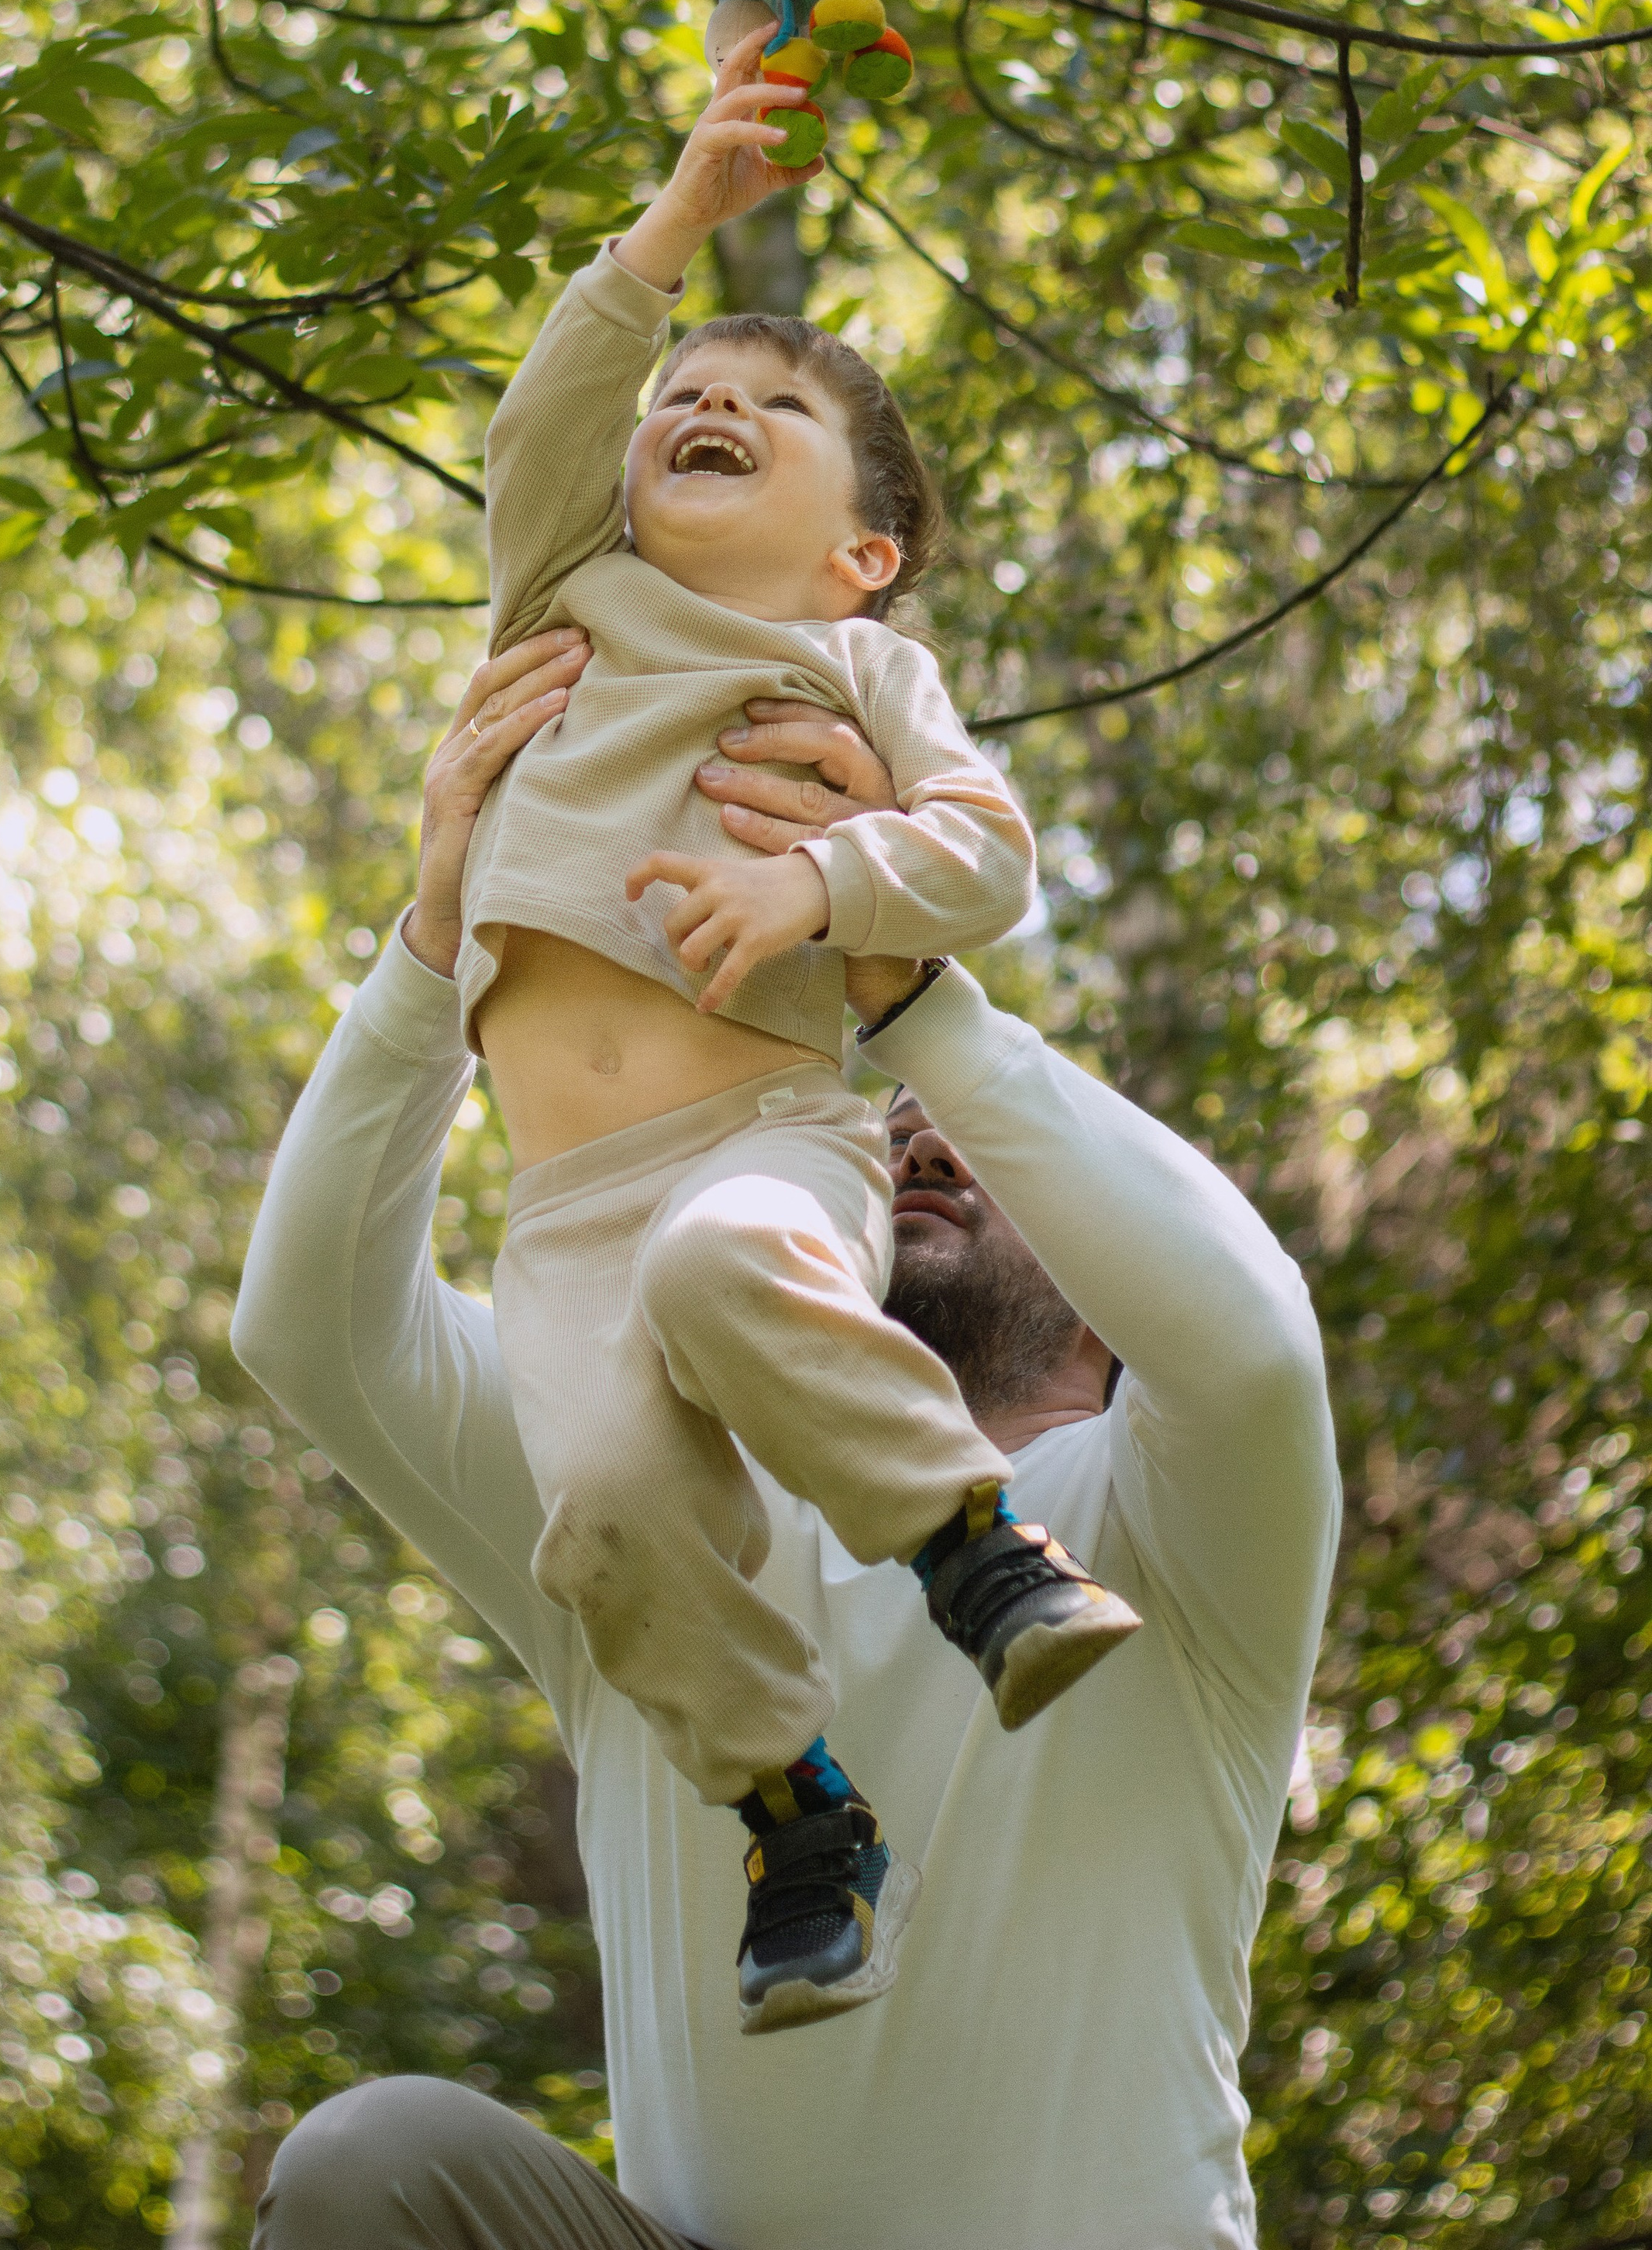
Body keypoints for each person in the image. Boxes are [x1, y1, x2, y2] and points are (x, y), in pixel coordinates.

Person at [232, 640, 1341, 2250]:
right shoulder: (658, 1521)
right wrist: (436, 947)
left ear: (1109, 1304)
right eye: (887, 1119)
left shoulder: (1177, 1525)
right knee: (371, 2167)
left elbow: (1245, 1336)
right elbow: (312, 1333)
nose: (910, 1128)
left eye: (963, 1131)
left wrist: (912, 996)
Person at [454, 24, 1137, 2028]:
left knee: (730, 1267)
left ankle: (976, 1553)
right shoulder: (563, 590)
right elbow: (545, 420)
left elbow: (987, 854)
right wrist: (677, 223)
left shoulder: (853, 662)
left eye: (764, 403)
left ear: (867, 550)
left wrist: (811, 889)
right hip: (559, 1210)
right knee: (602, 1510)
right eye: (684, 393)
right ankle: (794, 1808)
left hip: (762, 1136)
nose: (701, 400)